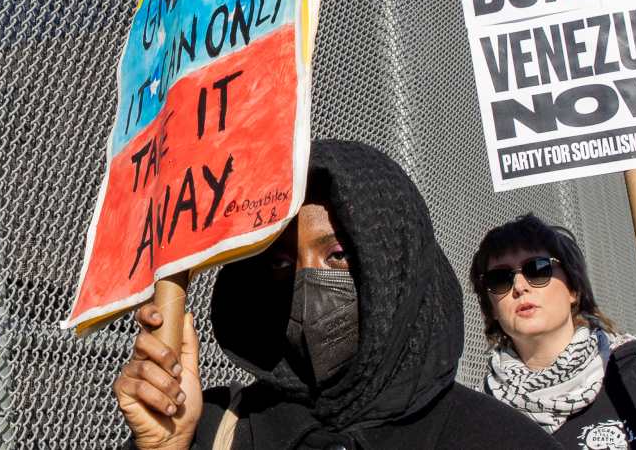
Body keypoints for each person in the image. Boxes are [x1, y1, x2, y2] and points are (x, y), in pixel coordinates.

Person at [113, 139, 559, 449]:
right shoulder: (214, 427)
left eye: (338, 256)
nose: (306, 285)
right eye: (282, 264)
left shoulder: (493, 438)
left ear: (394, 267)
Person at [469, 213, 636, 449]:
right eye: (500, 279)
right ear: (491, 308)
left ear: (573, 290)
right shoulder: (481, 413)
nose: (520, 286)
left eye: (538, 269)